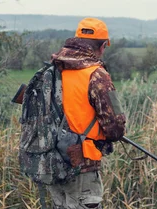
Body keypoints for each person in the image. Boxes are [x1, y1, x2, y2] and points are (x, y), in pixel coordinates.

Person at [47, 17, 126, 209]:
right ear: (101, 46)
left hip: (53, 161)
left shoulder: (54, 67)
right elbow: (115, 127)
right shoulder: (96, 75)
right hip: (82, 165)